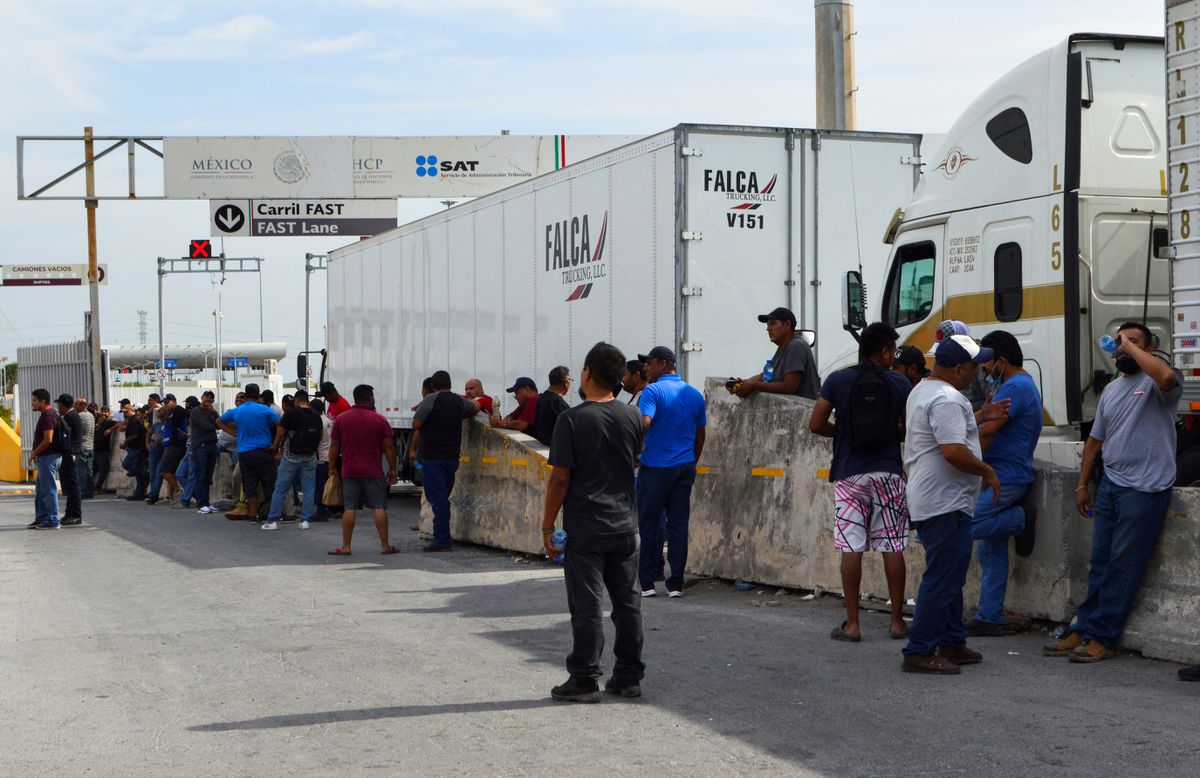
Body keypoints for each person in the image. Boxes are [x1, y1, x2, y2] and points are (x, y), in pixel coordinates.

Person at [1046, 322, 1183, 665]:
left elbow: (1166, 378)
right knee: (1102, 562)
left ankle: (1103, 636)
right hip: (1112, 485)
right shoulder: (1112, 390)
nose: (1123, 348)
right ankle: (1086, 625)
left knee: (1124, 564)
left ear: (1149, 349)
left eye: (1133, 342)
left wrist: (1130, 345)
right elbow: (1094, 442)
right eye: (1120, 342)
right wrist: (1081, 485)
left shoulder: (1158, 383)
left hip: (1145, 489)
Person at [543, 342, 646, 703]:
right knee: (628, 603)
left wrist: (546, 526)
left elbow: (559, 479)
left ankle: (585, 679)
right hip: (626, 525)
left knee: (587, 605)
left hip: (586, 527)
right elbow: (631, 462)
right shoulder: (632, 416)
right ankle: (629, 676)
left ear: (587, 373)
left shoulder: (571, 419)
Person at [901, 335, 1006, 674]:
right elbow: (952, 449)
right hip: (944, 502)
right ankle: (919, 650)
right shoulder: (947, 398)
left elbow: (943, 433)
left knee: (949, 574)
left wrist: (979, 414)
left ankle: (951, 640)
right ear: (959, 368)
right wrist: (987, 470)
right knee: (943, 578)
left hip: (937, 499)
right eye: (974, 367)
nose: (978, 373)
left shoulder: (926, 390)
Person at [809, 322, 913, 642]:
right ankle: (896, 622)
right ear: (883, 351)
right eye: (892, 351)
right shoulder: (900, 383)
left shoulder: (838, 380)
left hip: (850, 474)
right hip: (888, 474)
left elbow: (815, 424)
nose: (894, 357)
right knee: (892, 544)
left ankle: (852, 625)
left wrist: (842, 433)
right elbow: (907, 431)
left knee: (851, 547)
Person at [964, 331, 1042, 637]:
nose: (984, 369)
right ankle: (990, 615)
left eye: (987, 363)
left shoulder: (1017, 387)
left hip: (1005, 478)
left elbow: (987, 433)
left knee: (960, 529)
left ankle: (1020, 519)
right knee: (990, 552)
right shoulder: (1014, 385)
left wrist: (967, 461)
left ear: (1002, 361)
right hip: (996, 473)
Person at [635, 345, 706, 598]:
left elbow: (644, 423)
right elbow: (700, 434)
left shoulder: (651, 391)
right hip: (684, 467)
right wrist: (692, 461)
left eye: (650, 363)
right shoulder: (694, 394)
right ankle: (676, 583)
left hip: (655, 468)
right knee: (678, 525)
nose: (646, 367)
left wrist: (633, 451)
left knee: (649, 524)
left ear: (663, 364)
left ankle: (646, 583)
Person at [411, 370, 480, 550]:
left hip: (433, 457)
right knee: (443, 496)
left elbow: (416, 424)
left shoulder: (430, 400)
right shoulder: (458, 401)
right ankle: (442, 537)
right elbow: (475, 407)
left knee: (438, 499)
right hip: (452, 456)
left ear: (433, 386)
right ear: (450, 384)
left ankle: (442, 540)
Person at [327, 384, 400, 555]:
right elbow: (389, 448)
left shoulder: (342, 419)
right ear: (370, 399)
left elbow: (334, 446)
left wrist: (331, 467)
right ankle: (385, 545)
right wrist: (393, 469)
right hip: (373, 471)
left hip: (349, 470)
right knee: (379, 507)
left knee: (349, 508)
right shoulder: (379, 419)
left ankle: (346, 546)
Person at [216, 383, 279, 523]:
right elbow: (280, 425)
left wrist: (233, 433)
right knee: (269, 482)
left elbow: (218, 421)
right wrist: (275, 444)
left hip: (244, 452)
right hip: (263, 450)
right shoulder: (265, 410)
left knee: (249, 482)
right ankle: (271, 513)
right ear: (258, 395)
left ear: (245, 394)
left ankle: (252, 514)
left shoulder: (237, 410)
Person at [263, 390, 324, 531]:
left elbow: (281, 432)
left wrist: (275, 446)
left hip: (291, 457)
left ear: (296, 400)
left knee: (280, 489)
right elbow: (319, 436)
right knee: (309, 490)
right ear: (307, 400)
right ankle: (305, 521)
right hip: (310, 457)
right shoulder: (316, 415)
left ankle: (272, 520)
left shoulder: (291, 413)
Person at [730, 306, 820, 401]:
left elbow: (789, 387)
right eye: (767, 325)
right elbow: (764, 376)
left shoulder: (796, 346)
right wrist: (742, 384)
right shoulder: (783, 348)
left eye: (773, 324)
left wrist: (753, 386)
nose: (768, 329)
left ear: (787, 324)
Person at [27, 388, 65, 529]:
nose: (33, 403)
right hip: (46, 458)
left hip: (49, 457)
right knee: (41, 490)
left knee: (49, 490)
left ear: (43, 401)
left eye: (34, 400)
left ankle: (53, 520)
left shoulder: (48, 416)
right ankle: (42, 517)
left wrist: (34, 453)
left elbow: (48, 439)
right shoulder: (47, 415)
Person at [190, 391, 220, 514]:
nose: (207, 401)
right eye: (206, 398)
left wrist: (214, 413)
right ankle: (201, 503)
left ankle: (207, 502)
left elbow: (220, 423)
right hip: (200, 446)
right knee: (200, 475)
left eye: (210, 399)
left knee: (208, 477)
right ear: (201, 398)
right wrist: (215, 423)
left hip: (212, 446)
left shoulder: (211, 412)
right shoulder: (196, 412)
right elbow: (207, 426)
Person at [56, 394, 84, 526]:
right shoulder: (71, 416)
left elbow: (63, 435)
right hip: (70, 453)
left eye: (59, 405)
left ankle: (75, 514)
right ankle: (69, 513)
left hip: (70, 454)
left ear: (62, 405)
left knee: (73, 485)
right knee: (69, 485)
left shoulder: (69, 417)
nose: (58, 407)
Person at [532, 366, 571, 446]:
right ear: (566, 382)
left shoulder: (542, 398)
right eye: (570, 380)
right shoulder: (557, 402)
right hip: (554, 447)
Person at [159, 404, 189, 506]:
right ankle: (169, 497)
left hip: (175, 446)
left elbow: (178, 428)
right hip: (170, 446)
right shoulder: (168, 419)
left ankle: (178, 491)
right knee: (171, 472)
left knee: (164, 470)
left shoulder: (177, 412)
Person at [310, 397, 333, 522]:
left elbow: (317, 439)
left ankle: (321, 512)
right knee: (326, 485)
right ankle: (326, 509)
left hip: (321, 456)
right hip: (329, 455)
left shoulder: (318, 421)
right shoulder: (329, 421)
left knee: (320, 486)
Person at [120, 404, 149, 500]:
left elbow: (134, 435)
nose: (124, 414)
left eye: (126, 412)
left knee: (127, 464)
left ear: (132, 411)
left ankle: (145, 476)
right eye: (123, 412)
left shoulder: (134, 420)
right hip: (137, 448)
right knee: (137, 471)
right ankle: (139, 493)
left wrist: (125, 443)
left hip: (138, 449)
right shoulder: (133, 420)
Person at [74, 397, 96, 499]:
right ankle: (90, 491)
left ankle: (83, 491)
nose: (75, 406)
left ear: (83, 405)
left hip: (82, 446)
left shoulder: (80, 416)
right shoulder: (91, 415)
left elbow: (78, 432)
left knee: (81, 470)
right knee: (89, 471)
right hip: (90, 446)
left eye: (77, 404)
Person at [93, 406, 118, 493]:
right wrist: (98, 424)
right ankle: (92, 486)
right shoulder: (97, 422)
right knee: (94, 469)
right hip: (95, 449)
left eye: (105, 412)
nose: (103, 414)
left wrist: (110, 430)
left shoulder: (109, 422)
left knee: (102, 469)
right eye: (102, 412)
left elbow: (119, 423)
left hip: (103, 450)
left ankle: (98, 487)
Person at [146, 405, 168, 504]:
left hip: (164, 450)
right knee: (152, 474)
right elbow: (149, 432)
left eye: (162, 416)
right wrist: (147, 443)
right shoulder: (157, 424)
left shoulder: (169, 425)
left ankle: (153, 496)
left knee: (159, 474)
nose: (161, 418)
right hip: (154, 448)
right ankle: (152, 493)